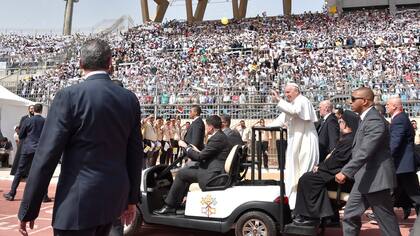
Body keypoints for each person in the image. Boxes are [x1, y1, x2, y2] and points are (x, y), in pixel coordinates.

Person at [16, 39, 143, 236]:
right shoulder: (129, 99)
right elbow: (135, 154)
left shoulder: (69, 96)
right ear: (110, 63)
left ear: (80, 63)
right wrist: (132, 199)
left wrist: (29, 208)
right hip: (113, 200)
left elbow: (46, 156)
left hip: (77, 202)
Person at [335, 87, 400, 236]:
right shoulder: (365, 118)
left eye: (353, 99)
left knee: (386, 222)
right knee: (350, 215)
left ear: (364, 101)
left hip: (377, 179)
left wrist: (346, 171)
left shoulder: (375, 121)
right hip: (364, 178)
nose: (349, 102)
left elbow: (365, 151)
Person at [153, 115, 231, 214]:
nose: (206, 128)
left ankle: (170, 206)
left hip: (212, 175)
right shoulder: (220, 136)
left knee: (182, 174)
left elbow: (199, 157)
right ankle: (178, 200)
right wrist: (195, 150)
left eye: (207, 126)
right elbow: (206, 154)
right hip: (213, 169)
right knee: (188, 170)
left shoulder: (217, 138)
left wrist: (186, 147)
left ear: (211, 127)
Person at [293, 110, 359, 226]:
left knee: (307, 180)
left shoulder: (349, 140)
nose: (339, 124)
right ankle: (322, 215)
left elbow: (337, 161)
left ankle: (311, 217)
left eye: (341, 121)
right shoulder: (348, 139)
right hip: (334, 172)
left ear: (346, 124)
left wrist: (320, 167)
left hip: (340, 177)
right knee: (307, 178)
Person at [270, 83, 319, 209]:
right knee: (293, 173)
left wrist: (279, 100)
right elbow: (281, 120)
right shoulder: (291, 104)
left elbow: (294, 111)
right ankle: (295, 205)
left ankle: (305, 207)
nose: (286, 95)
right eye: (285, 93)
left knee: (304, 174)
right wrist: (265, 127)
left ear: (296, 91)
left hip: (306, 142)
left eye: (288, 92)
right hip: (295, 141)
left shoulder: (303, 101)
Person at [3, 103, 50, 202]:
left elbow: (21, 135)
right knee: (41, 172)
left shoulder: (27, 120)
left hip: (27, 148)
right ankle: (44, 196)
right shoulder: (45, 121)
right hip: (39, 149)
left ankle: (12, 194)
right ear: (41, 110)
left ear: (34, 110)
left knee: (19, 171)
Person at [386, 97, 420, 219]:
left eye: (388, 105)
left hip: (403, 164)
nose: (386, 107)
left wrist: (386, 156)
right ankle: (385, 213)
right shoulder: (401, 118)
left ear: (395, 106)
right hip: (402, 164)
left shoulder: (399, 120)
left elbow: (395, 142)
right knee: (396, 190)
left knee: (413, 193)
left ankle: (384, 214)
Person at [10, 105, 34, 176]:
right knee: (20, 155)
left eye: (33, 108)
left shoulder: (35, 118)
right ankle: (16, 172)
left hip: (32, 140)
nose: (32, 110)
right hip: (23, 139)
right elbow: (21, 128)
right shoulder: (24, 118)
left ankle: (28, 173)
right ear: (28, 109)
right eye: (31, 108)